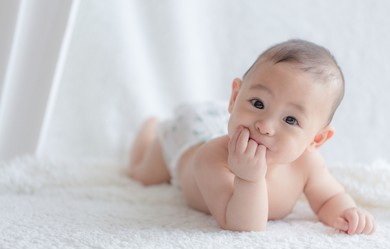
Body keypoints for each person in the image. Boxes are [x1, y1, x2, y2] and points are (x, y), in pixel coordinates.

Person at [129, 39, 375, 234]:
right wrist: (248, 179)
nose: (265, 126)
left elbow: (329, 198)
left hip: (207, 128)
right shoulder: (213, 158)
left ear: (316, 140)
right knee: (143, 176)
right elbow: (242, 225)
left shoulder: (307, 165)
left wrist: (346, 212)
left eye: (290, 120)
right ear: (235, 98)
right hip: (184, 140)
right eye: (257, 103)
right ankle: (149, 132)